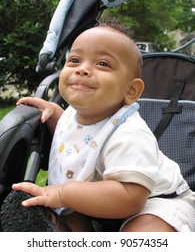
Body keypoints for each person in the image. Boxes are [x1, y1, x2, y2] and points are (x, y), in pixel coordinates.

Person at [1, 19, 195, 232]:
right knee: (67, 215)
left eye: (102, 63)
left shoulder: (130, 134)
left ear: (131, 91)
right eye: (74, 60)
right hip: (94, 202)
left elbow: (130, 199)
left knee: (146, 232)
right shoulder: (73, 115)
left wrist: (61, 194)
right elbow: (72, 133)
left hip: (155, 201)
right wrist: (51, 109)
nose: (82, 69)